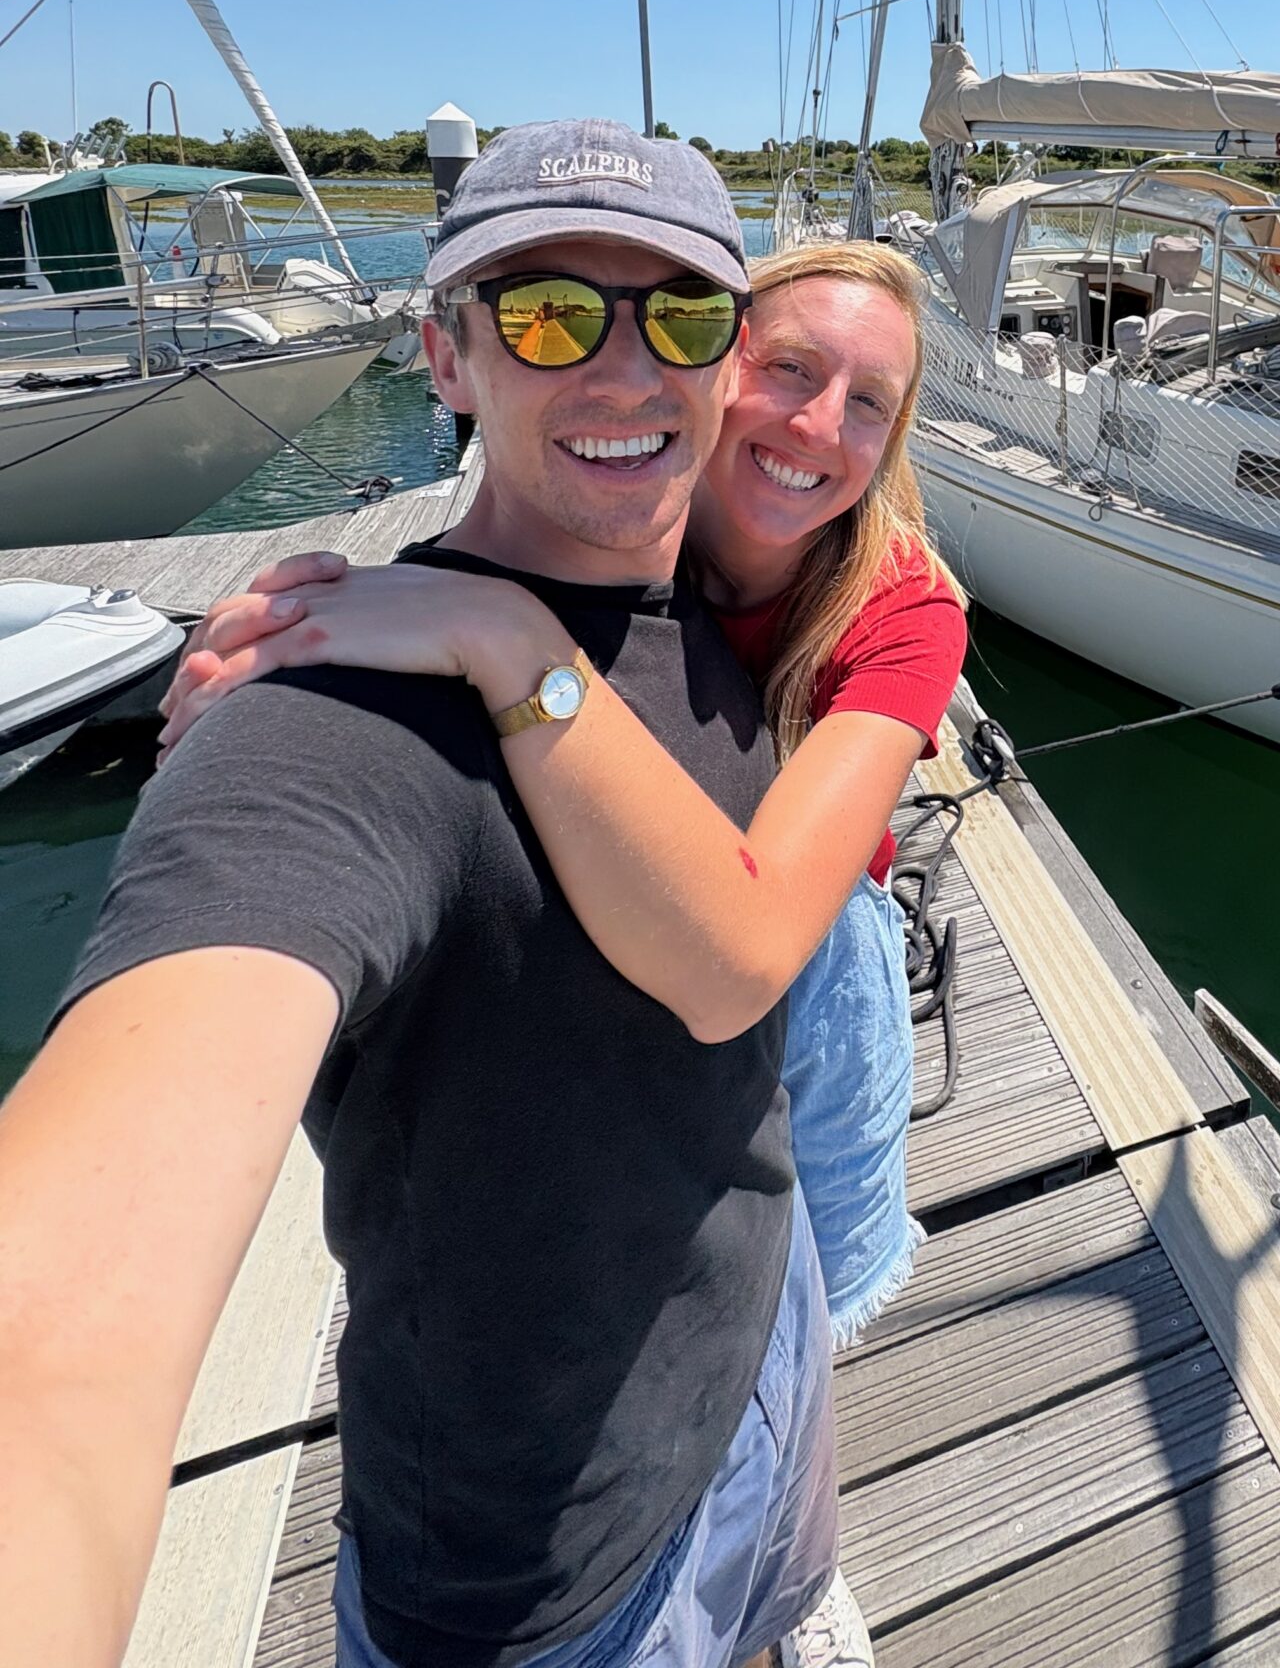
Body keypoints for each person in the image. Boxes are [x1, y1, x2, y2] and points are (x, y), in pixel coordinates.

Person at [0, 122, 879, 1668]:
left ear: (727, 356)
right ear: (447, 357)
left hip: (756, 1357)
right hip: (560, 1574)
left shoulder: (749, 580)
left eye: (679, 316)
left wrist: (502, 632)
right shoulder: (332, 715)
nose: (623, 371)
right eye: (546, 314)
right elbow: (53, 1351)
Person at [164, 236, 969, 1668]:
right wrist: (291, 651)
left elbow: (757, 935)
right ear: (712, 368)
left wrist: (496, 627)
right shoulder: (629, 534)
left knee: (806, 1288)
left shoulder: (899, 606)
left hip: (815, 954)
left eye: (869, 406)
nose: (818, 429)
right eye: (787, 370)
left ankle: (788, 1579)